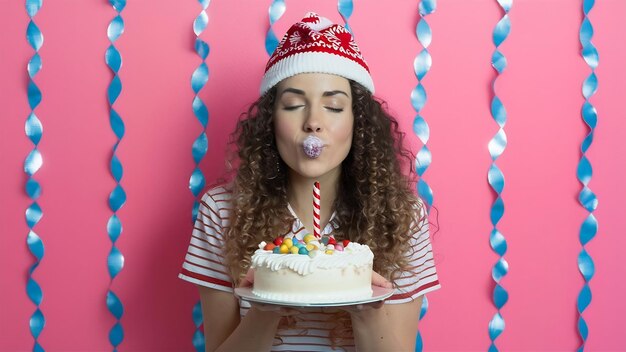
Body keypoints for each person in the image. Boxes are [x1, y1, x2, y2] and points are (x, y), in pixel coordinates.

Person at [179, 12, 441, 351]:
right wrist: (265, 309)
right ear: (271, 122)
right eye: (293, 105)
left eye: (333, 106)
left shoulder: (404, 217)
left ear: (357, 123)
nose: (313, 122)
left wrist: (367, 311)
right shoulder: (223, 211)